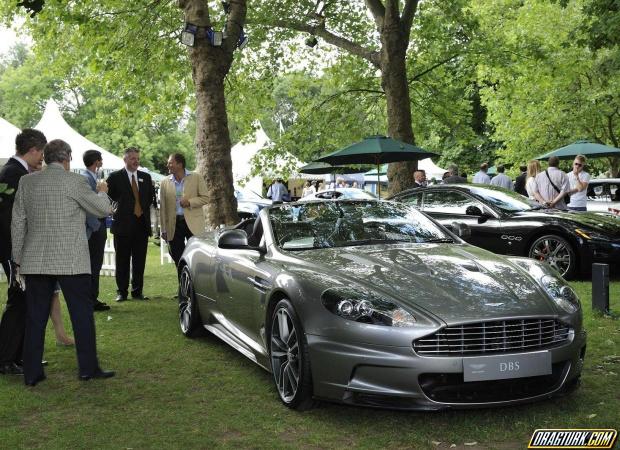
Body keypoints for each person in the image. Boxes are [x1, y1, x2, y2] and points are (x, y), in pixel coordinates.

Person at [11, 139, 115, 386]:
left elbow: (18, 222)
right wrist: (102, 190)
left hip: (36, 260)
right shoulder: (76, 181)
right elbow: (102, 210)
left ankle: (32, 373)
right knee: (81, 315)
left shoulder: (27, 181)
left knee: (35, 318)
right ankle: (88, 369)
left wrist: (17, 259)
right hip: (71, 261)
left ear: (46, 158)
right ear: (67, 158)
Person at [0, 129, 46, 375]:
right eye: (40, 153)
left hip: (20, 250)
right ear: (32, 150)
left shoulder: (19, 173)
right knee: (17, 302)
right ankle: (6, 358)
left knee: (25, 303)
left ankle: (18, 356)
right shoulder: (13, 175)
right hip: (15, 251)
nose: (42, 159)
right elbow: (11, 220)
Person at [107, 147, 154, 301]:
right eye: (133, 158)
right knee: (122, 260)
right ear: (125, 159)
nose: (136, 161)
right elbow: (108, 197)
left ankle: (137, 291)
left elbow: (150, 197)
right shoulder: (114, 177)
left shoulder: (145, 177)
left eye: (137, 158)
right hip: (122, 226)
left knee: (139, 260)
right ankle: (121, 292)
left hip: (141, 225)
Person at [159, 153, 208, 277]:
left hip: (193, 224)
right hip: (173, 225)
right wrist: (163, 229)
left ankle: (196, 288)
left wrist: (190, 202)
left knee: (196, 257)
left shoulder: (196, 177)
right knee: (178, 257)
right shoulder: (164, 182)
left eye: (170, 163)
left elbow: (205, 198)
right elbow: (163, 208)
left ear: (180, 164)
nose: (168, 165)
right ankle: (183, 289)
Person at [81, 150, 110, 312]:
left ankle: (93, 297)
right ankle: (91, 299)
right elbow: (87, 207)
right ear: (96, 161)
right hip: (94, 229)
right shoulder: (86, 179)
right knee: (93, 264)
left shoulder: (93, 178)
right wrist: (96, 226)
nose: (102, 162)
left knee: (95, 264)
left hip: (97, 226)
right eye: (101, 159)